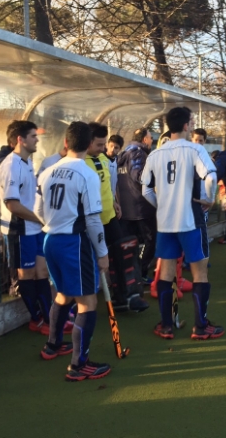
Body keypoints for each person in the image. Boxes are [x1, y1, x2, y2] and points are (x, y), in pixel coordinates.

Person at [35, 121, 111, 381]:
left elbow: (37, 211)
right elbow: (92, 219)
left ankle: (53, 345)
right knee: (87, 303)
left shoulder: (47, 170)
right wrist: (102, 253)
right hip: (73, 244)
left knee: (63, 295)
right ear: (89, 144)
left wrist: (53, 225)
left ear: (66, 142)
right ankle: (79, 365)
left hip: (50, 241)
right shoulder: (86, 174)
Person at [141, 106, 224, 340]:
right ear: (186, 125)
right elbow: (211, 176)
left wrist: (162, 205)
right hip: (190, 220)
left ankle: (166, 325)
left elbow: (146, 189)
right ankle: (200, 327)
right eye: (192, 121)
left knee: (166, 272)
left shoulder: (155, 154)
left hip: (166, 223)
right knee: (199, 272)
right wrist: (210, 198)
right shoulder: (195, 149)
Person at [0, 121, 62, 335]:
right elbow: (13, 205)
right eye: (33, 136)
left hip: (34, 228)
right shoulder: (10, 166)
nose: (37, 140)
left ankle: (49, 317)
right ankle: (37, 319)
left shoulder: (26, 162)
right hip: (19, 230)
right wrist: (40, 219)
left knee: (41, 271)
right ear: (20, 139)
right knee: (26, 274)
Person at [87, 123, 148, 312]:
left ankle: (125, 297)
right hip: (92, 222)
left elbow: (107, 186)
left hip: (110, 217)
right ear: (87, 142)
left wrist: (114, 202)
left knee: (122, 255)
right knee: (94, 261)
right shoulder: (81, 163)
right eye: (99, 144)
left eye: (104, 144)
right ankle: (85, 304)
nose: (103, 148)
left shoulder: (103, 159)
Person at [117, 128, 157, 282]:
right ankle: (141, 274)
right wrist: (158, 176)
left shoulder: (123, 154)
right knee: (151, 240)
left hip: (126, 209)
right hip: (141, 208)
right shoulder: (137, 153)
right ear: (144, 139)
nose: (151, 140)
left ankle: (131, 278)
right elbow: (139, 176)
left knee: (130, 245)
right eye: (150, 137)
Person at [106, 134, 124, 198]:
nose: (112, 149)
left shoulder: (119, 162)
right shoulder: (101, 160)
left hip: (112, 198)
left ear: (120, 149)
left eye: (116, 148)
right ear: (107, 145)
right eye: (111, 146)